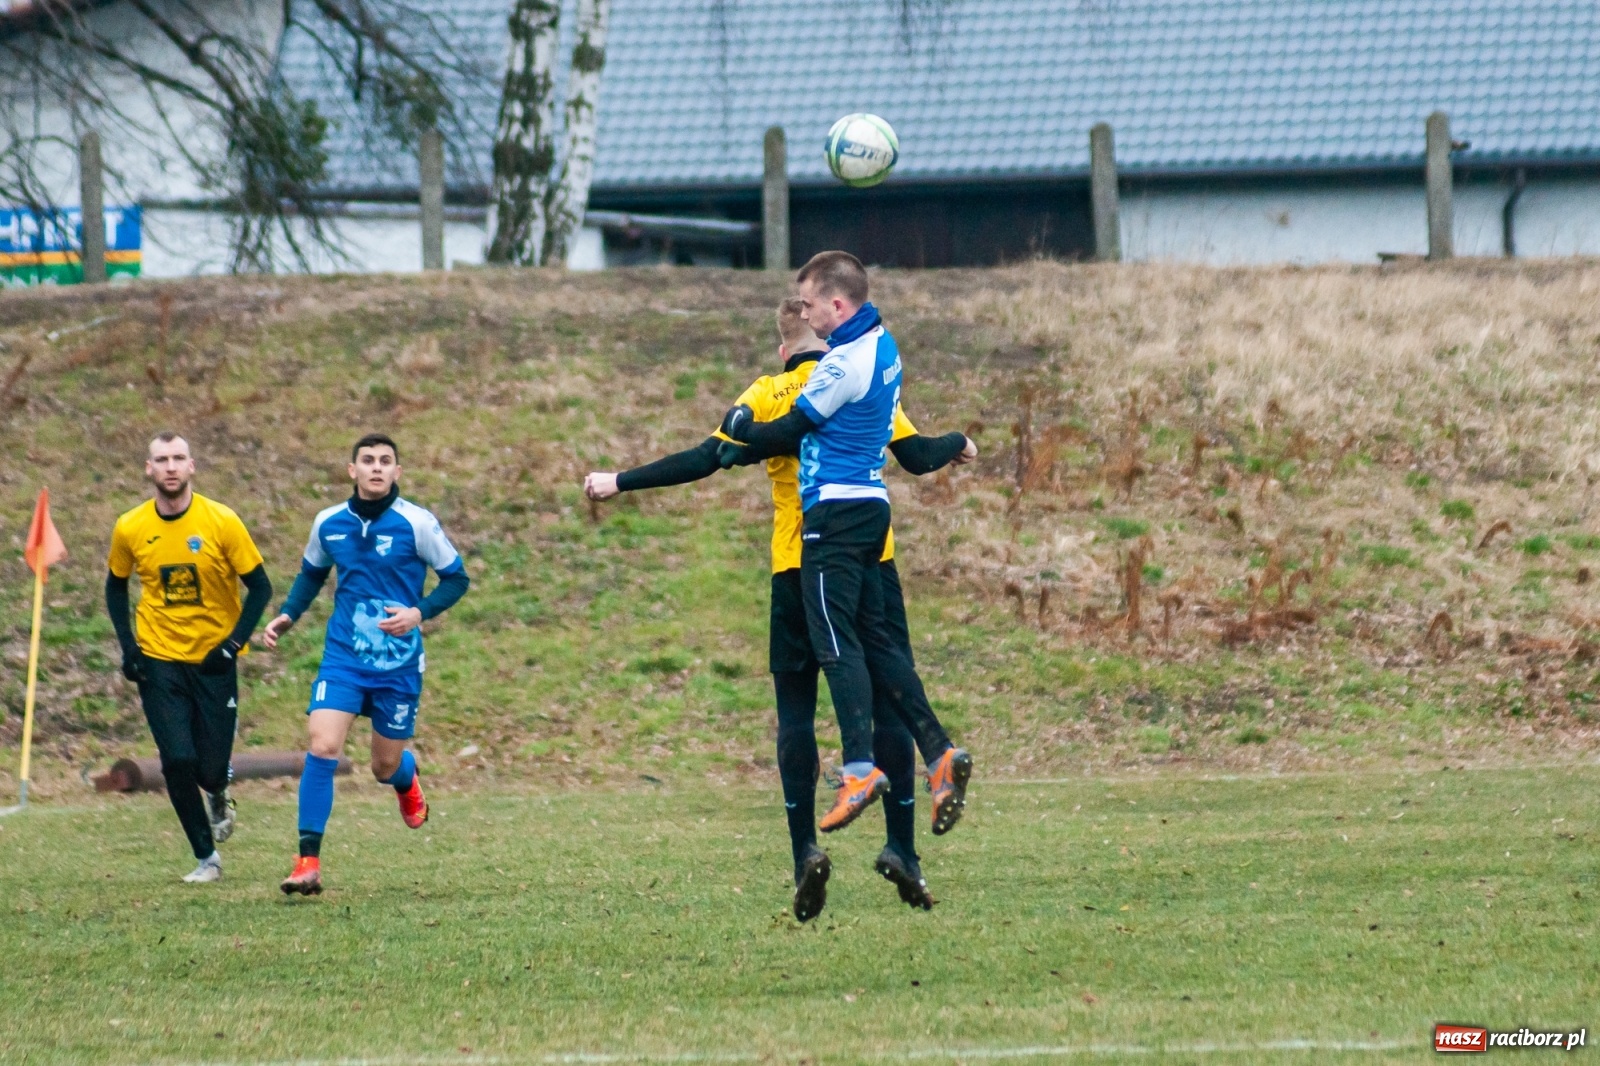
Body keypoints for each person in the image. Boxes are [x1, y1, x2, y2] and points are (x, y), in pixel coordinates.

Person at [585, 298, 976, 920]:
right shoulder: (863, 374)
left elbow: (707, 457)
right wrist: (959, 440)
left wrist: (620, 479)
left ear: (780, 347)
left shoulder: (770, 391)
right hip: (873, 559)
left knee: (796, 714)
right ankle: (902, 847)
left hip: (799, 564)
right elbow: (919, 454)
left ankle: (805, 855)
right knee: (888, 701)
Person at [723, 251, 973, 842]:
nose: (805, 313)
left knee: (836, 643)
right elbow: (909, 451)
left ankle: (859, 768)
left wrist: (738, 433)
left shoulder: (841, 368)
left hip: (830, 516)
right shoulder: (884, 345)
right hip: (871, 510)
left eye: (809, 303)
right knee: (880, 643)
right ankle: (938, 751)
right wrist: (958, 439)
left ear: (837, 304)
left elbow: (789, 430)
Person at [263, 433, 470, 896]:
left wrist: (420, 612)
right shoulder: (328, 523)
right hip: (344, 659)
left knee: (382, 766)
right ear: (351, 470)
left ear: (397, 472)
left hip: (397, 665)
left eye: (386, 461)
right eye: (367, 460)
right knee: (322, 746)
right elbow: (312, 572)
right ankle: (307, 862)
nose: (376, 468)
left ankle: (405, 776)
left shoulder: (417, 523)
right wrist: (289, 614)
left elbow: (457, 578)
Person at [105, 431, 273, 883]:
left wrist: (232, 645)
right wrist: (129, 647)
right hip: (159, 659)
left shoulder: (221, 521)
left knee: (210, 767)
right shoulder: (131, 526)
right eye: (162, 459)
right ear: (149, 469)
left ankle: (219, 789)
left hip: (214, 660)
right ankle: (206, 857)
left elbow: (260, 588)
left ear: (192, 466)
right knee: (176, 759)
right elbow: (115, 585)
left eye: (179, 458)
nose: (171, 467)